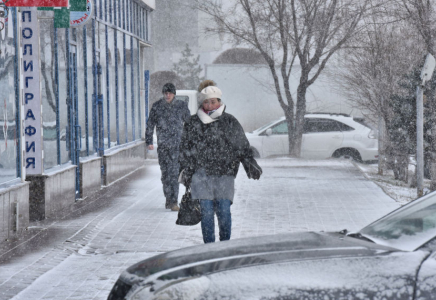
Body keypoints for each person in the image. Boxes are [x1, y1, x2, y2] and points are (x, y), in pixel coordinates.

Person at [179, 85, 262, 243]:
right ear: (201, 104)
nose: (210, 106)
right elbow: (184, 148)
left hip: (225, 174)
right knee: (207, 213)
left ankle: (224, 246)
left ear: (219, 101)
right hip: (201, 175)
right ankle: (209, 247)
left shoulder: (229, 121)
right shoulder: (193, 122)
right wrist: (185, 169)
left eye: (213, 102)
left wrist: (249, 162)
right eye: (206, 102)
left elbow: (241, 145)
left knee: (224, 212)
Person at [145, 83, 191, 211]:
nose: (167, 95)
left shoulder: (181, 106)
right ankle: (168, 198)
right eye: (165, 93)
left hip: (177, 146)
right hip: (163, 146)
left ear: (174, 94)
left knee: (174, 173)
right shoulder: (157, 106)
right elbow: (150, 124)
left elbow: (189, 123)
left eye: (170, 93)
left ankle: (174, 202)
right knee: (165, 175)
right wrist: (149, 141)